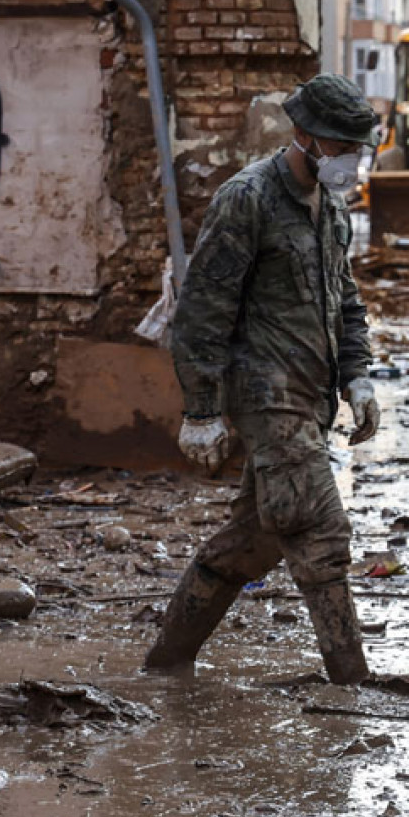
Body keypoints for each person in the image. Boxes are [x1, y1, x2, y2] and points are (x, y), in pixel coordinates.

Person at [144, 73, 381, 685]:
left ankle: (167, 665)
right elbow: (201, 309)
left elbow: (345, 300)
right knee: (320, 531)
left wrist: (358, 378)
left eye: (358, 149)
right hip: (264, 394)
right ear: (302, 137)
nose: (351, 161)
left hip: (311, 397)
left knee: (252, 542)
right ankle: (352, 686)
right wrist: (200, 410)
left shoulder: (331, 207)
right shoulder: (245, 199)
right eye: (340, 147)